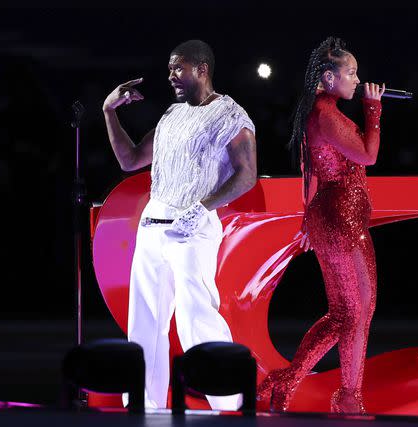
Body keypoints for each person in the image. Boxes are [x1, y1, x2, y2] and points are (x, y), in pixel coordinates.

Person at [102, 39, 257, 410]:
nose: (171, 75)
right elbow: (131, 159)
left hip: (192, 229)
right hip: (153, 225)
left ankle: (230, 401)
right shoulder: (171, 115)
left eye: (178, 68)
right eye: (171, 68)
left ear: (202, 69)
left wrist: (202, 208)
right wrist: (109, 112)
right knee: (144, 320)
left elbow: (247, 175)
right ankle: (143, 401)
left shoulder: (230, 115)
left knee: (195, 315)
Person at [257, 36, 385, 414]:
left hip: (331, 216)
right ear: (328, 78)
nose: (357, 80)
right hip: (341, 217)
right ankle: (348, 397)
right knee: (360, 309)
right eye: (351, 73)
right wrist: (373, 109)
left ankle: (288, 382)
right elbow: (369, 154)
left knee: (346, 312)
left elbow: (308, 170)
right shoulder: (326, 115)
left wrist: (307, 219)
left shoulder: (317, 112)